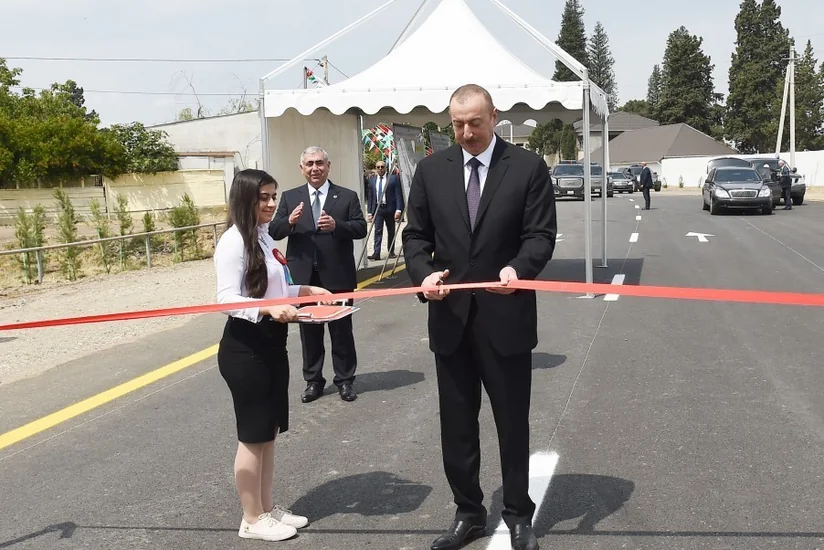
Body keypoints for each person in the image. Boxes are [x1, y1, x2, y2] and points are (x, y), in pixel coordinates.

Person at [402, 84, 556, 550]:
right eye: (458, 124)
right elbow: (414, 237)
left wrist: (517, 269)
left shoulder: (527, 168)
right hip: (450, 320)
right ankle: (468, 512)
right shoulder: (431, 170)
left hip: (505, 318)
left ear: (494, 116)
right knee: (457, 424)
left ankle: (518, 514)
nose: (467, 132)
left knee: (512, 422)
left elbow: (540, 236)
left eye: (475, 122)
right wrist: (425, 275)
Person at [214, 168, 332, 542]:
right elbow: (226, 299)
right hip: (245, 348)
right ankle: (251, 518)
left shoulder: (263, 238)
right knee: (252, 435)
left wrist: (307, 290)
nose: (270, 204)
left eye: (273, 197)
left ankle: (265, 507)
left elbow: (275, 288)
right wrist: (268, 310)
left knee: (268, 433)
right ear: (244, 199)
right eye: (262, 197)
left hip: (272, 344)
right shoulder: (233, 242)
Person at [269, 146, 368, 403]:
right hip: (303, 279)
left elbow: (360, 228)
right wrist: (289, 221)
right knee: (309, 332)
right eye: (310, 164)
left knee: (341, 330)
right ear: (302, 169)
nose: (315, 168)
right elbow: (274, 230)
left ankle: (345, 380)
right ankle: (313, 381)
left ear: (328, 166)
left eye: (320, 163)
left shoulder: (346, 196)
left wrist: (338, 226)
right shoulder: (291, 197)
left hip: (337, 275)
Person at [367, 160, 404, 260]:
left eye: (382, 167)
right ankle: (376, 253)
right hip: (378, 209)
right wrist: (370, 212)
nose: (380, 169)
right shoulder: (372, 180)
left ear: (385, 168)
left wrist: (399, 210)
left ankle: (391, 251)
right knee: (377, 231)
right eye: (378, 167)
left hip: (390, 208)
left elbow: (398, 195)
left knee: (391, 230)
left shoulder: (393, 179)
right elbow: (370, 197)